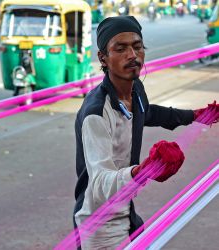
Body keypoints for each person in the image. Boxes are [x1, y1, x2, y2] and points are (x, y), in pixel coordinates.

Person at [73, 16, 209, 249]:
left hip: (124, 207)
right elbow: (99, 182)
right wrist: (142, 171)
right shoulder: (96, 114)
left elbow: (147, 113)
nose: (132, 55)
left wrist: (196, 115)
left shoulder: (135, 89)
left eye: (137, 47)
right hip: (98, 221)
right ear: (103, 58)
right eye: (121, 48)